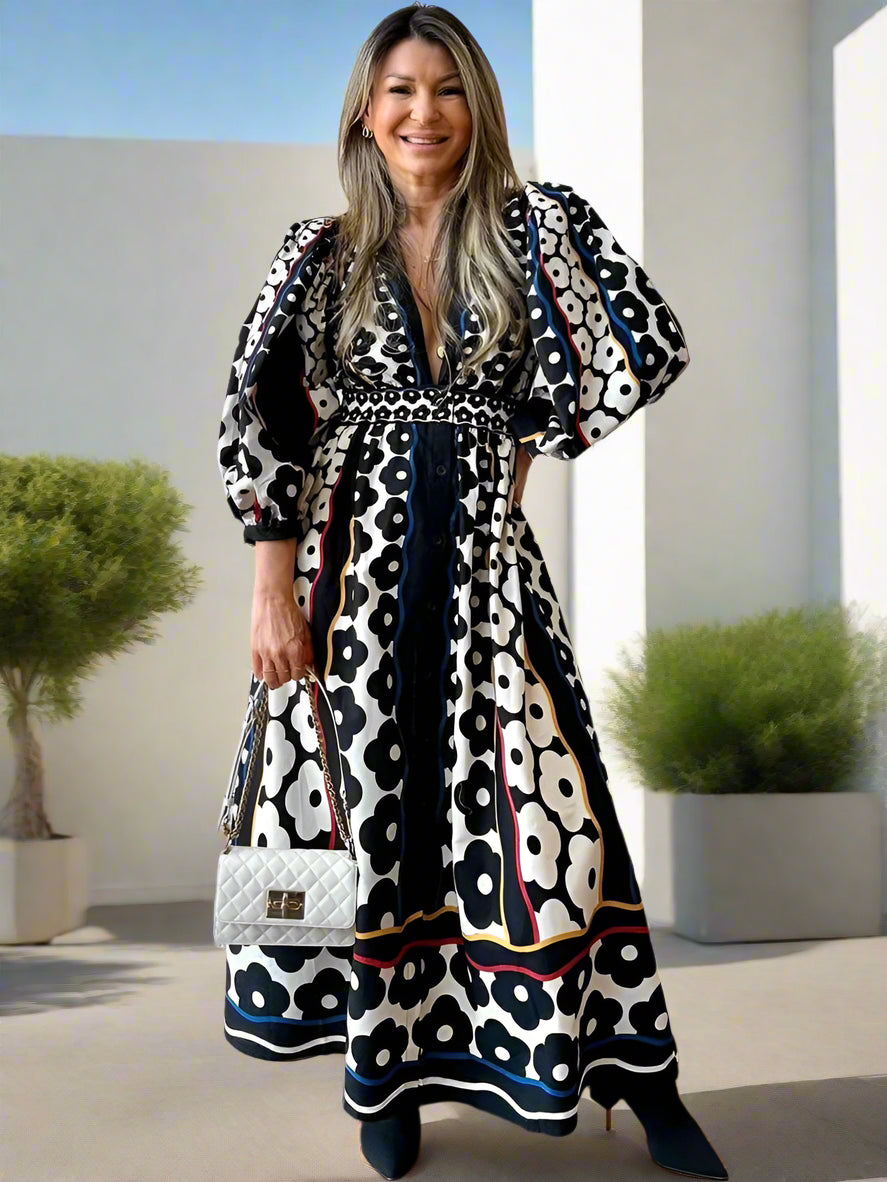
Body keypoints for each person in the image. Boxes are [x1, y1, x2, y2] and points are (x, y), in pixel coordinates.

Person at [216, 5, 728, 1180]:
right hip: (350, 578)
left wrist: (512, 471)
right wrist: (270, 592)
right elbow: (265, 425)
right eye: (398, 90)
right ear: (363, 107)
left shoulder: (531, 231)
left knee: (551, 821)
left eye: (446, 90)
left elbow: (629, 347)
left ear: (477, 107)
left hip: (488, 578)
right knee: (365, 824)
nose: (421, 114)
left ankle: (641, 1080)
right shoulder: (315, 252)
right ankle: (380, 1080)